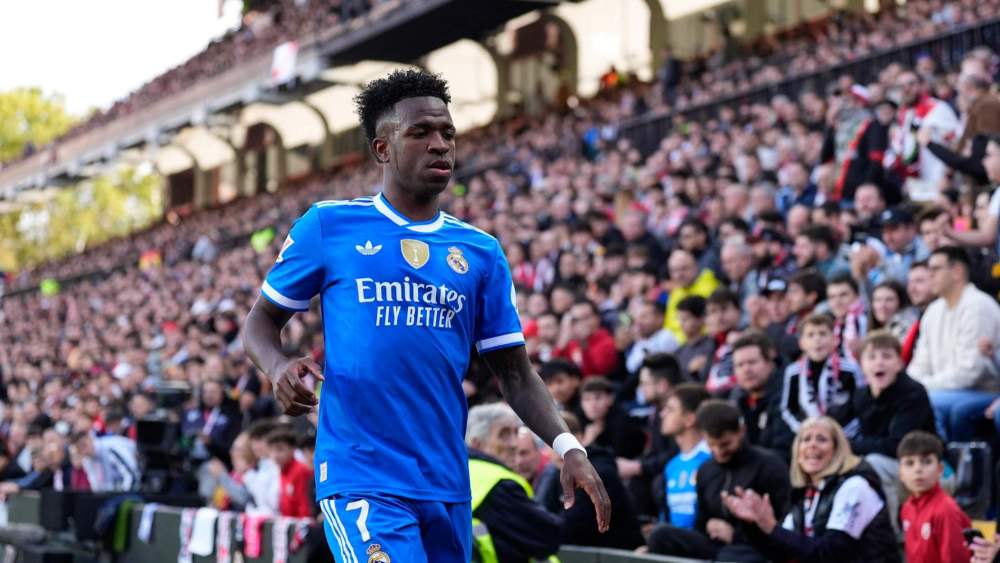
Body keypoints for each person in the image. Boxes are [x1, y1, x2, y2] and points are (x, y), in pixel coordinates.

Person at [242, 70, 610, 561]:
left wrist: (568, 447)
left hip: (446, 483)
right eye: (420, 133)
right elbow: (260, 323)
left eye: (448, 133)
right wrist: (277, 367)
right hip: (362, 477)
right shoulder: (330, 226)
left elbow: (516, 375)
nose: (440, 145)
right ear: (382, 149)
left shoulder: (479, 252)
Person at [722, 417, 900, 562]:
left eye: (821, 439)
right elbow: (782, 553)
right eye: (806, 439)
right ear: (797, 453)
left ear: (837, 451)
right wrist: (753, 524)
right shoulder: (805, 495)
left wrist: (771, 526)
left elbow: (830, 553)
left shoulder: (855, 487)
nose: (812, 445)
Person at [646, 400, 790, 562]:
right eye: (711, 445)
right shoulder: (706, 470)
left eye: (725, 444)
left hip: (755, 548)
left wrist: (735, 536)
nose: (719, 452)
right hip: (714, 545)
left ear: (741, 431)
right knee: (661, 535)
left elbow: (784, 526)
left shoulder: (770, 465)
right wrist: (708, 526)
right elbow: (700, 523)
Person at [908, 246, 1000, 441]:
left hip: (983, 390)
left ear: (957, 272)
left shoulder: (978, 306)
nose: (929, 275)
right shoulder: (933, 310)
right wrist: (912, 387)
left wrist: (922, 388)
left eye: (935, 269)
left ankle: (948, 465)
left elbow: (972, 372)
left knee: (930, 402)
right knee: (910, 399)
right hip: (944, 388)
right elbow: (920, 362)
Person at [850, 330, 936, 530]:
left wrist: (849, 446)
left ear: (900, 363)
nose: (879, 362)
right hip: (892, 466)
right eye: (871, 357)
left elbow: (898, 446)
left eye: (887, 356)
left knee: (872, 465)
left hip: (930, 468)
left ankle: (890, 540)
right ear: (862, 365)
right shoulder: (861, 395)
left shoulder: (913, 393)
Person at [466, 403, 561, 563]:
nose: (514, 444)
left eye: (515, 433)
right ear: (477, 444)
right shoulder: (498, 483)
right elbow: (547, 536)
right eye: (504, 434)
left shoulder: (462, 473)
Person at [781, 313, 864, 438]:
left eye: (822, 334)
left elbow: (860, 407)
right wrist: (805, 432)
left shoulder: (850, 369)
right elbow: (788, 410)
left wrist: (840, 436)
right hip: (807, 437)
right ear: (801, 343)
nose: (817, 340)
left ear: (834, 339)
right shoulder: (793, 372)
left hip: (846, 438)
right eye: (811, 335)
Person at [897, 431, 971, 563]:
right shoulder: (906, 507)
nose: (918, 469)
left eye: (926, 462)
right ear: (901, 473)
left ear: (940, 469)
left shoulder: (946, 510)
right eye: (909, 463)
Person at [729, 332, 794, 460]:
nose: (746, 370)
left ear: (770, 363)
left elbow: (784, 452)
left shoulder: (789, 395)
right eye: (740, 365)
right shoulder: (736, 401)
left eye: (752, 362)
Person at [659, 384, 712, 529]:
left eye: (670, 410)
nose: (662, 414)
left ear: (690, 419)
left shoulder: (710, 459)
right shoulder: (671, 466)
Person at [579, 377, 645, 459]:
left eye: (598, 398)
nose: (592, 404)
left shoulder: (622, 425)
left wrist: (587, 443)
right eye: (587, 399)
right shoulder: (582, 422)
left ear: (610, 398)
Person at [663, 249, 720, 343]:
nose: (679, 275)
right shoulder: (675, 294)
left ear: (696, 267)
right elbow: (669, 327)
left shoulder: (710, 288)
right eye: (674, 271)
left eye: (684, 268)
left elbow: (711, 326)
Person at [553, 299, 619, 378]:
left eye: (586, 317)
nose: (582, 323)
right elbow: (553, 369)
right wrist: (563, 338)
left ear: (597, 318)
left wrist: (584, 346)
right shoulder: (572, 343)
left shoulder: (607, 341)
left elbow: (597, 375)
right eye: (576, 320)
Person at [267, 427, 313, 518]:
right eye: (271, 450)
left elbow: (304, 504)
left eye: (280, 450)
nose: (275, 455)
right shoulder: (281, 470)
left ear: (292, 449)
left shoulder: (300, 470)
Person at [674, 296, 714, 380]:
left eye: (685, 319)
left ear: (701, 319)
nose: (680, 324)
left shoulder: (712, 345)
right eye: (679, 319)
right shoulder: (678, 352)